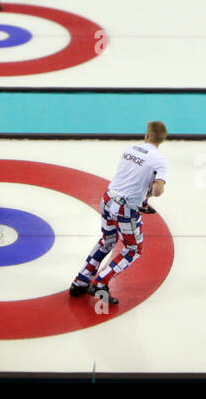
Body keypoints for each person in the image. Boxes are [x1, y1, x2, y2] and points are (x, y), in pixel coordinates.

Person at [69, 121, 169, 307]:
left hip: (107, 199)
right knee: (133, 249)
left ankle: (80, 281)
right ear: (162, 140)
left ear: (147, 136)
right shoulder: (160, 161)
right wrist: (154, 188)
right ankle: (100, 282)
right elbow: (157, 191)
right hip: (126, 209)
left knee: (107, 240)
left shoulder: (130, 150)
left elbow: (129, 178)